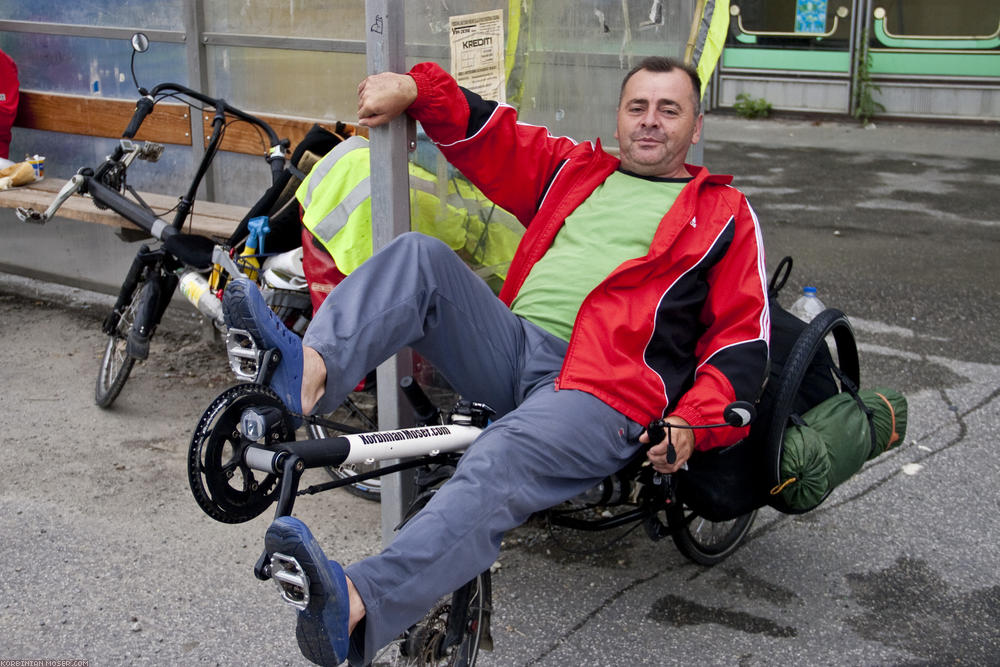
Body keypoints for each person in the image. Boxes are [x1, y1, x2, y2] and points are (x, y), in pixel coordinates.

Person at [222, 56, 769, 666]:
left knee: (495, 456)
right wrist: (415, 90)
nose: (650, 122)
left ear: (695, 127)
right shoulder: (577, 170)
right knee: (418, 259)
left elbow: (741, 341)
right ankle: (302, 381)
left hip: (603, 391)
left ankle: (353, 605)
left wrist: (696, 421)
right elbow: (492, 136)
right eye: (637, 107)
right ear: (618, 118)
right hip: (513, 346)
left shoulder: (724, 214)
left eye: (670, 110)